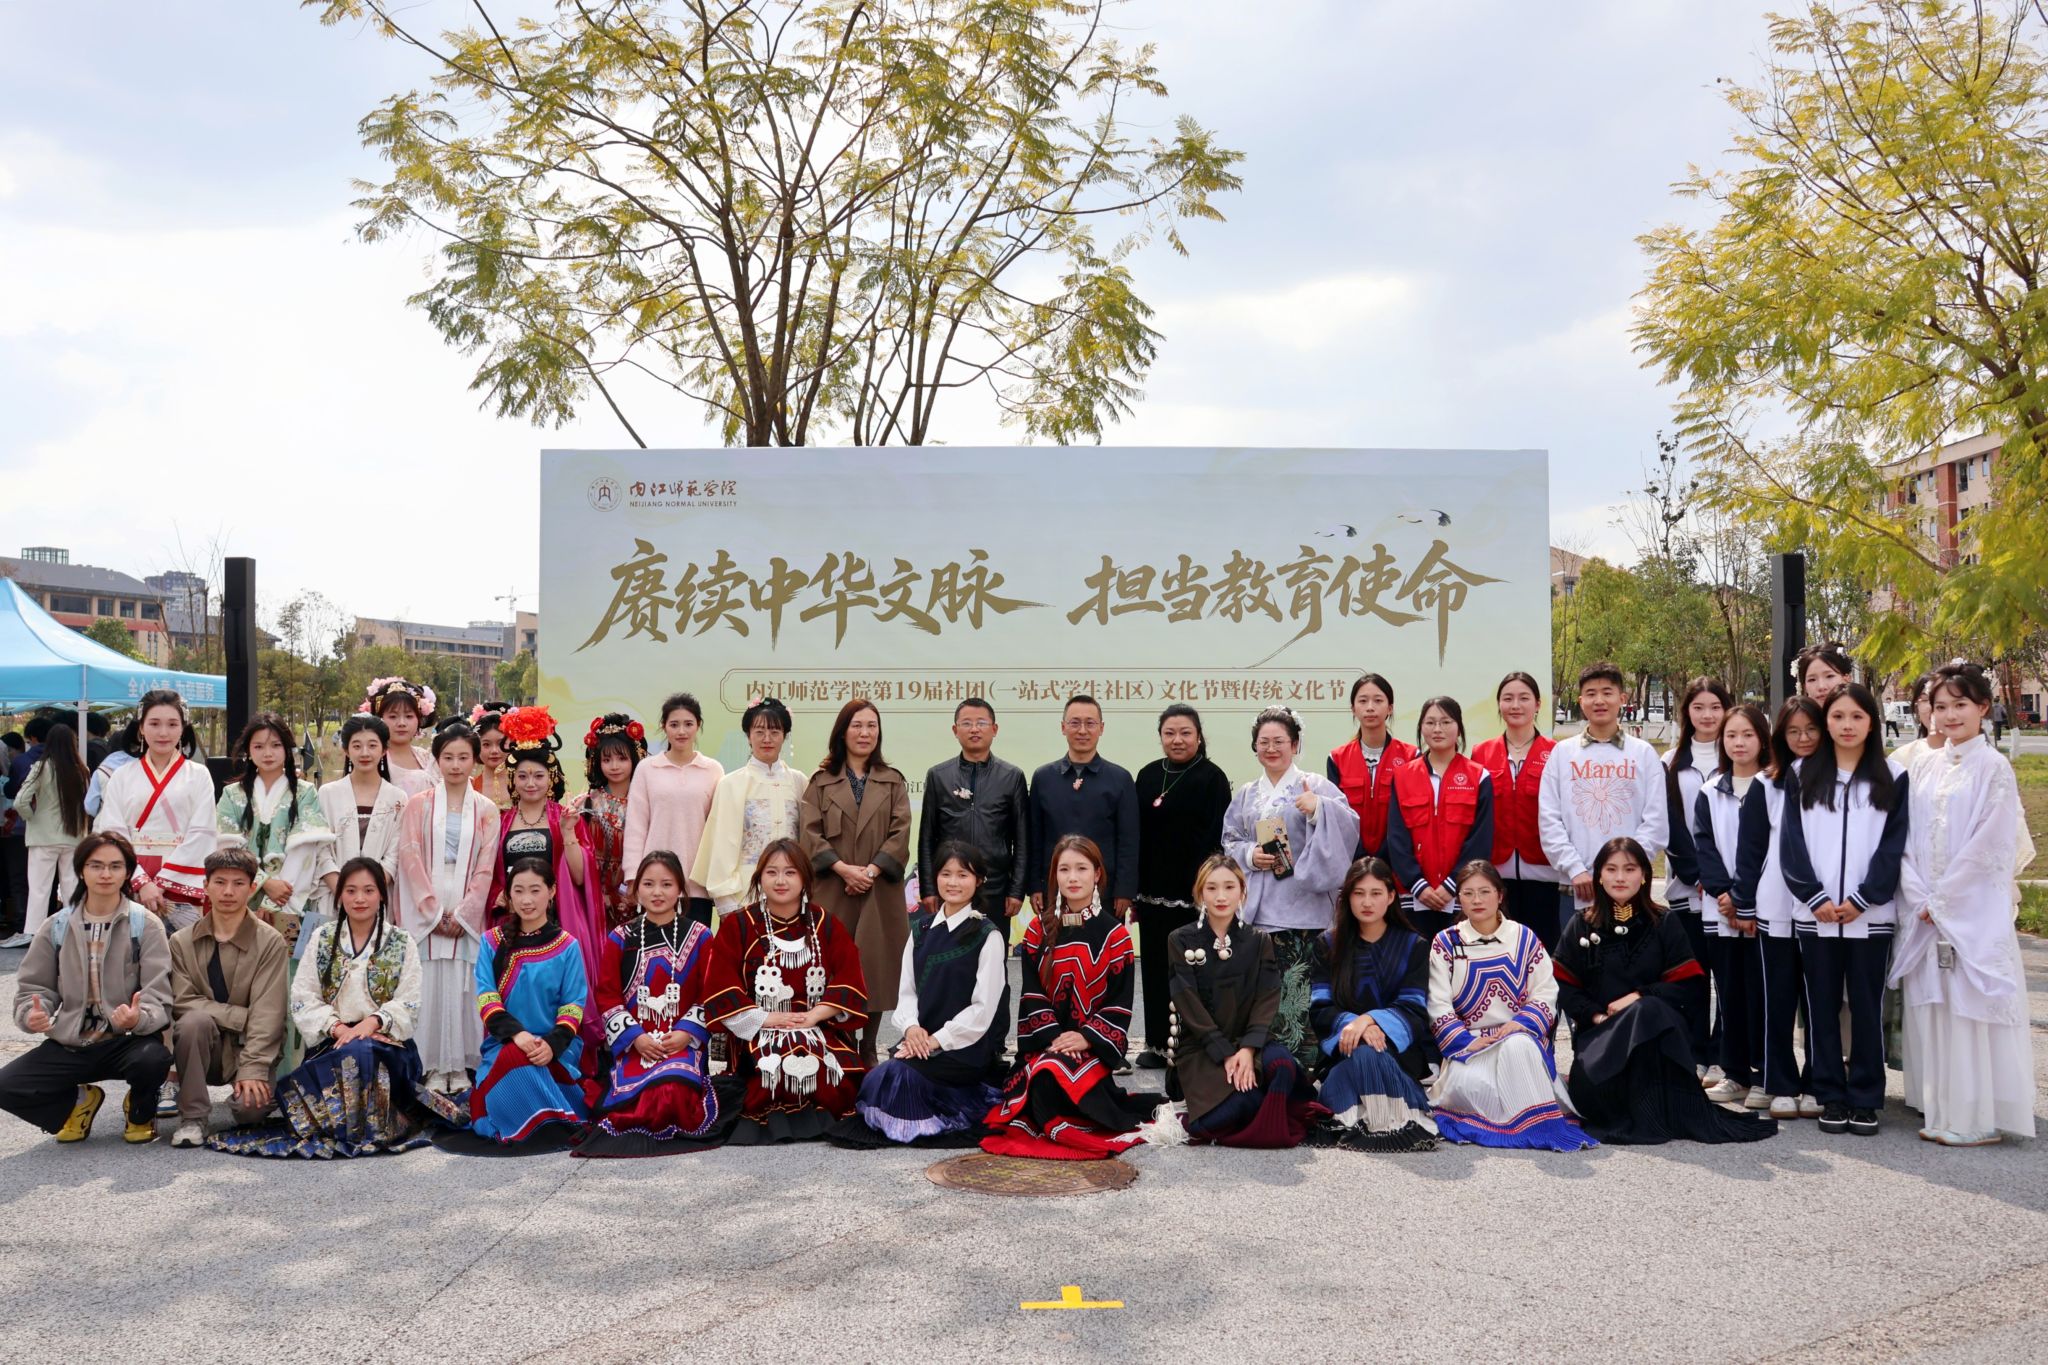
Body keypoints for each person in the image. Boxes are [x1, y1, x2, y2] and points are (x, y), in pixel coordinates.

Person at [209, 858, 460, 1157]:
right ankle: (354, 1124)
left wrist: (371, 1023)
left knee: (363, 1051)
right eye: (351, 890)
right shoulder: (323, 938)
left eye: (368, 890)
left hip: (387, 1045)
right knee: (348, 1054)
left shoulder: (401, 941)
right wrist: (338, 1028)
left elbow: (409, 1001)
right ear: (340, 895)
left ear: (381, 895)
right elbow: (303, 997)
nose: (359, 898)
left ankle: (357, 1126)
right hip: (333, 1042)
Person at [1891, 660, 2037, 1145]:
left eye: (1960, 705)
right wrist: (1918, 895)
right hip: (1926, 911)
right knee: (1936, 1007)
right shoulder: (1925, 766)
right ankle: (1942, 1108)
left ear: (1983, 708)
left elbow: (1989, 845)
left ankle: (1977, 1117)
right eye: (1940, 707)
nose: (1950, 715)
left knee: (1968, 1009)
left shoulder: (1993, 767)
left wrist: (1944, 899)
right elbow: (1906, 838)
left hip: (1968, 912)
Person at [1553, 838, 1777, 1145]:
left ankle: (1653, 1105)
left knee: (1648, 1008)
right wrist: (1597, 1016)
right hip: (1600, 1044)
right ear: (1599, 876)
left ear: (1644, 875)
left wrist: (1638, 997)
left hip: (1654, 1044)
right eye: (1611, 869)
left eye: (1630, 869)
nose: (1620, 877)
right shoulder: (1582, 925)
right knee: (1645, 1010)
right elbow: (1562, 987)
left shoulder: (1664, 922)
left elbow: (1689, 987)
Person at [1781, 681, 1909, 1138]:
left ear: (1872, 723)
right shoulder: (1801, 773)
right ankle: (1830, 1094)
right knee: (1821, 1007)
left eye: (1857, 716)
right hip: (1815, 915)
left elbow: (1893, 845)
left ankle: (1866, 1097)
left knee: (1867, 1009)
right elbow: (1791, 842)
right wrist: (1813, 896)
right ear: (1826, 722)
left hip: (1869, 917)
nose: (1847, 725)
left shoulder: (1893, 776)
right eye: (1837, 716)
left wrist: (1864, 898)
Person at [982, 835, 1153, 1158]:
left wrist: (1086, 1038)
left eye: (1081, 868)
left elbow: (1119, 1004)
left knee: (1052, 1079)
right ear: (1054, 876)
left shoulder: (1116, 936)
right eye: (1064, 869)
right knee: (1046, 1073)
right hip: (1045, 1046)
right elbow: (1031, 995)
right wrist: (1057, 1040)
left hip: (1091, 1052)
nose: (1073, 878)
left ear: (1097, 874)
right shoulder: (1037, 931)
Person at [0, 833, 172, 1145]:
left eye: (115, 866)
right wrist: (32, 1014)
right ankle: (80, 1101)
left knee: (153, 1059)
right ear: (81, 870)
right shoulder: (56, 925)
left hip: (127, 1041)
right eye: (96, 865)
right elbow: (34, 987)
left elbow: (158, 992)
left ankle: (139, 1112)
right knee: (6, 1085)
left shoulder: (145, 924)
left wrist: (139, 1017)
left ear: (127, 872)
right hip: (71, 1042)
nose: (106, 874)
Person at [1223, 706, 1360, 1073]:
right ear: (1255, 747)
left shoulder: (1315, 785)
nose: (1271, 748)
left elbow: (1349, 825)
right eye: (1264, 742)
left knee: (1303, 997)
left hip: (1305, 910)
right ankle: (1270, 1069)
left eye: (1279, 741)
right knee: (1266, 996)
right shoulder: (1247, 794)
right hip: (1260, 911)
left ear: (1295, 744)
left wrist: (1318, 809)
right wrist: (1249, 855)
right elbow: (1230, 839)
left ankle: (1306, 1073)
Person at [703, 839, 868, 1143]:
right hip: (757, 1029)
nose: (781, 881)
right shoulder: (739, 925)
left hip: (817, 1025)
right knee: (774, 1063)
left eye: (790, 872)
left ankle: (819, 1119)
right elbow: (720, 986)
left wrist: (813, 1016)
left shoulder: (824, 923)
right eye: (772, 872)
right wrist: (766, 1019)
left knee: (826, 1065)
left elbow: (851, 978)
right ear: (759, 878)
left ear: (805, 878)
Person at [846, 842, 1009, 1145]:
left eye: (963, 875)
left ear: (979, 881)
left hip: (963, 1048)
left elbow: (983, 1010)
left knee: (899, 1077)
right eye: (946, 874)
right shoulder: (920, 930)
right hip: (919, 1042)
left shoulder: (988, 935)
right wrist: (912, 1029)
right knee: (880, 1078)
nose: (953, 882)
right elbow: (907, 992)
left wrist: (936, 1040)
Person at [1427, 860, 1593, 1151]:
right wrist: (1466, 1041)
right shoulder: (1446, 943)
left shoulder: (1524, 938)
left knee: (1518, 1047)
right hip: (1471, 1046)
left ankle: (1537, 1126)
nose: (1477, 900)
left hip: (1520, 1038)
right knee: (1479, 1087)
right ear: (1459, 898)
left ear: (1500, 895)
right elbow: (1438, 1003)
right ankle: (1521, 1122)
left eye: (1485, 892)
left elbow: (1545, 992)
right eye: (1468, 893)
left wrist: (1520, 1024)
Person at [580, 851, 724, 1156]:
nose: (657, 892)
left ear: (681, 889)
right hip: (637, 1043)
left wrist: (686, 1033)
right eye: (648, 884)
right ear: (636, 889)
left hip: (681, 1042)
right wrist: (636, 1038)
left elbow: (710, 992)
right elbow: (607, 995)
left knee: (672, 1088)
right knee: (639, 1096)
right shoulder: (620, 937)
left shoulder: (700, 936)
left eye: (666, 884)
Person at [1164, 854, 1312, 1147]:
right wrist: (1225, 1053)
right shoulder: (1180, 939)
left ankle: (1261, 1106)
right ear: (1199, 893)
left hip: (1251, 1041)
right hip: (1204, 1047)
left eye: (1229, 887)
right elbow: (1188, 1002)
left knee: (1283, 1067)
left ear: (1243, 891)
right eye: (1211, 888)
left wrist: (1247, 1049)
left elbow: (1267, 997)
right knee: (1225, 1113)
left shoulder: (1258, 940)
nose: (1221, 896)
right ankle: (1258, 1107)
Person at [800, 699, 912, 1069]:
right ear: (842, 732)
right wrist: (844, 870)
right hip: (835, 888)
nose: (865, 733)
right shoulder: (821, 782)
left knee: (875, 966)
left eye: (871, 726)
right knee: (834, 967)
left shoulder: (892, 781)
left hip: (878, 890)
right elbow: (809, 834)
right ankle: (840, 1041)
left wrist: (871, 872)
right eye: (857, 726)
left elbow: (900, 833)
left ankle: (869, 1045)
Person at [487, 706, 602, 1054]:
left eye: (538, 775)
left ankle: (559, 1051)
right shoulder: (501, 821)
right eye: (523, 776)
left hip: (555, 920)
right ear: (512, 779)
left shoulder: (564, 817)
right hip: (513, 922)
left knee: (555, 992)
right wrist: (500, 894)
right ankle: (514, 1048)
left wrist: (568, 834)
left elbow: (580, 877)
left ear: (551, 777)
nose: (531, 783)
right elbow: (492, 873)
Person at [1733, 698, 1827, 1121]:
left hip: (1821, 908)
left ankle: (1818, 1081)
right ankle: (1780, 1082)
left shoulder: (1832, 781)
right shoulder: (1765, 784)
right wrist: (1745, 904)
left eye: (1811, 729)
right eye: (1793, 731)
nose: (1803, 738)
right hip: (1774, 906)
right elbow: (1750, 850)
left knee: (1819, 999)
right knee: (1777, 997)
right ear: (1780, 736)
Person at [395, 722, 500, 1094]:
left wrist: (466, 912)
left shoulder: (486, 808)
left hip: (468, 898)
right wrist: (433, 910)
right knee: (429, 981)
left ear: (474, 760)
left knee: (462, 983)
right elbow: (409, 857)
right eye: (448, 757)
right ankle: (430, 1063)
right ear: (437, 760)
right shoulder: (418, 804)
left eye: (463, 757)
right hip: (427, 897)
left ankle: (460, 1064)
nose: (456, 765)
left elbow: (487, 866)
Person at [1309, 856, 1438, 1152]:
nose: (1367, 902)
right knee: (1362, 1053)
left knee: (1370, 1052)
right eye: (1359, 893)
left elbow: (1415, 1009)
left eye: (1376, 893)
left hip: (1397, 1054)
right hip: (1343, 1051)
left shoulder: (1414, 946)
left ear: (1391, 896)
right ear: (1347, 898)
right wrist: (1354, 1027)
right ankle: (1389, 1115)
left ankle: (1365, 1115)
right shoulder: (1328, 944)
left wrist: (1367, 1020)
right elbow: (1320, 1009)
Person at [166, 848, 291, 1148]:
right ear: (206, 886)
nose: (228, 892)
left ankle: (249, 1087)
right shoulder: (181, 941)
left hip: (249, 1045)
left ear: (251, 888)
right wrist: (240, 1015)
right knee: (192, 1022)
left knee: (251, 1110)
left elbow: (268, 1013)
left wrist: (254, 1069)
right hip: (203, 1046)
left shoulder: (270, 941)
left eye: (238, 884)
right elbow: (182, 1001)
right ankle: (193, 1117)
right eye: (220, 882)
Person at [1131, 703, 1232, 1068]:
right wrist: (1134, 890)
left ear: (1199, 737)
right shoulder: (1146, 775)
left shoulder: (1212, 778)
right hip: (1151, 894)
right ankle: (1158, 1045)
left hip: (1193, 896)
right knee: (1155, 970)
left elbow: (1217, 838)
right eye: (1169, 733)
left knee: (1192, 973)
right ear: (1160, 736)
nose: (1177, 739)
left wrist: (1207, 890)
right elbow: (1136, 836)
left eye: (1185, 733)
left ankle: (1192, 1047)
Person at [467, 857, 590, 1144]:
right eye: (519, 891)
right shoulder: (491, 942)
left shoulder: (567, 946)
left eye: (535, 890)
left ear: (552, 891)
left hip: (556, 1049)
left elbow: (573, 1007)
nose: (526, 900)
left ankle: (538, 1119)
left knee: (525, 1058)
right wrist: (518, 1035)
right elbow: (487, 999)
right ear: (508, 895)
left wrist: (550, 1045)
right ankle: (549, 1119)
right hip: (505, 1043)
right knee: (513, 1056)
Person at [1537, 661, 1668, 916]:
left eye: (1607, 693)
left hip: (1629, 889)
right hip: (1577, 887)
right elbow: (1549, 819)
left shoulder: (1643, 753)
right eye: (1591, 694)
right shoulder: (1562, 753)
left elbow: (1656, 822)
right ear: (1581, 701)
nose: (1599, 701)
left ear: (1622, 699)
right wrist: (1575, 868)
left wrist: (1625, 870)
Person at [1691, 702, 1772, 1110]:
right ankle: (1735, 1073)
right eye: (1731, 735)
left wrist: (1745, 899)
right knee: (1729, 995)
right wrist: (1725, 895)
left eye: (1748, 735)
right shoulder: (1711, 790)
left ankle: (1765, 1073)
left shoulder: (1775, 787)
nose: (1739, 743)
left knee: (1763, 995)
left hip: (1763, 911)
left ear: (1763, 739)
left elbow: (1770, 848)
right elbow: (1704, 846)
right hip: (1721, 912)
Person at [94, 689, 217, 931]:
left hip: (181, 881)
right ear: (141, 728)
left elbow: (202, 833)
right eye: (154, 724)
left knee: (181, 952)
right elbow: (113, 832)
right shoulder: (122, 775)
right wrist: (141, 882)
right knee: (126, 950)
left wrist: (161, 883)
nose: (163, 732)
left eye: (172, 724)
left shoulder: (199, 775)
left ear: (183, 728)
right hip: (129, 878)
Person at [214, 711, 335, 957]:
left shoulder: (305, 793)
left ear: (287, 749)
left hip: (289, 898)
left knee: (288, 966)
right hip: (240, 897)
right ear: (248, 751)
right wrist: (264, 883)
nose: (267, 753)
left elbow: (304, 851)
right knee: (239, 965)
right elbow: (227, 849)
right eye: (258, 746)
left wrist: (275, 899)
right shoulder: (232, 795)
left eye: (276, 745)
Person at [1384, 695, 1494, 942]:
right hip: (1413, 898)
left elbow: (1480, 840)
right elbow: (1397, 838)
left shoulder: (1479, 776)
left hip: (1462, 896)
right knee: (1417, 960)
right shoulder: (1402, 776)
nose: (1437, 729)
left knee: (1461, 959)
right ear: (1421, 728)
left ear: (1459, 728)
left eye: (1446, 722)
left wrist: (1452, 884)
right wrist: (1418, 885)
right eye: (1430, 722)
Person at [917, 697, 1030, 935]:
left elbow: (1022, 840)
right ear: (955, 730)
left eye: (982, 723)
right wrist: (928, 888)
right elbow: (926, 838)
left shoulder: (1012, 777)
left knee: (993, 951)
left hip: (995, 888)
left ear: (994, 729)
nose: (974, 729)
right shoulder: (939, 776)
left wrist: (1017, 890)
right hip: (950, 888)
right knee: (949, 952)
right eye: (967, 723)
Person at [1664, 677, 1731, 1079]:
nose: (1707, 715)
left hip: (1729, 892)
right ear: (1686, 712)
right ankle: (1695, 1054)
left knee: (1728, 977)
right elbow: (1670, 826)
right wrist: (1698, 874)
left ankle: (1723, 1054)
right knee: (1692, 975)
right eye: (1698, 707)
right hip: (1687, 887)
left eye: (1715, 707)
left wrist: (1720, 880)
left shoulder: (1739, 754)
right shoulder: (1670, 761)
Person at [1472, 671, 1567, 950]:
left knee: (1543, 950)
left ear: (1537, 704)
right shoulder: (1481, 753)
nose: (1515, 705)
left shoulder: (1557, 752)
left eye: (1524, 698)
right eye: (1508, 698)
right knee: (1499, 950)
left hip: (1545, 871)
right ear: (1499, 704)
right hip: (1496, 874)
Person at [1026, 694, 1140, 918]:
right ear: (1063, 727)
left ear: (1101, 728)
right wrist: (1034, 885)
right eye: (1075, 723)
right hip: (1054, 887)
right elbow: (1035, 838)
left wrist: (1124, 890)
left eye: (1090, 723)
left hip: (1105, 890)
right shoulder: (1043, 777)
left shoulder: (1120, 778)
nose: (1082, 730)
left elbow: (1128, 841)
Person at [693, 696, 809, 914]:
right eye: (759, 732)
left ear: (784, 736)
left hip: (793, 893)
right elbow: (721, 846)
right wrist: (726, 902)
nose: (767, 739)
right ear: (748, 736)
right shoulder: (731, 784)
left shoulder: (799, 781)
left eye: (775, 732)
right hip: (744, 895)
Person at [621, 692, 725, 928]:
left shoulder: (713, 770)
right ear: (663, 726)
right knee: (652, 947)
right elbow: (636, 825)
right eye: (674, 724)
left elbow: (718, 829)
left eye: (688, 724)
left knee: (694, 948)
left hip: (697, 885)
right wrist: (634, 876)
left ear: (698, 725)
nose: (681, 731)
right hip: (654, 884)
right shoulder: (647, 769)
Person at [2, 722, 91, 948]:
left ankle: (34, 933)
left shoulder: (41, 767)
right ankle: (74, 931)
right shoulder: (82, 770)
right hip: (74, 836)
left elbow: (21, 800)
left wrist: (31, 818)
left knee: (39, 888)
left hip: (43, 837)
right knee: (72, 886)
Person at [316, 714, 408, 931]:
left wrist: (369, 893)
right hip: (333, 897)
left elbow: (394, 854)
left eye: (372, 745)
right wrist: (343, 891)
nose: (365, 753)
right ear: (346, 750)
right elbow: (320, 848)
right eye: (357, 746)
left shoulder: (397, 798)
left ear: (384, 750)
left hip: (378, 899)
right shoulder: (327, 793)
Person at [1327, 673, 1416, 860]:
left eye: (1378, 700)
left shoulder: (1411, 757)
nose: (1370, 707)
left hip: (1396, 861)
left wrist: (1385, 858)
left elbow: (1411, 816)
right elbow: (1337, 815)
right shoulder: (1337, 759)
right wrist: (1360, 859)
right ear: (1353, 709)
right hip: (1351, 860)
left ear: (1390, 708)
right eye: (1363, 701)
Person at [570, 711, 646, 930]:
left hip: (639, 896)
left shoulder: (646, 801)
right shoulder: (587, 803)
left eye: (622, 758)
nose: (614, 766)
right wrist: (596, 892)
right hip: (595, 897)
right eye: (607, 759)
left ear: (635, 758)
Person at [361, 677, 438, 797]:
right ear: (379, 719)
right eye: (393, 716)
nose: (401, 723)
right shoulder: (372, 759)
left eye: (409, 716)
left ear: (419, 719)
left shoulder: (428, 758)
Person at [1891, 672, 1944, 770]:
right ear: (1916, 707)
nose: (1932, 707)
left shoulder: (1971, 757)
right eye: (1925, 700)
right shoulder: (1901, 759)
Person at [469, 703, 515, 810]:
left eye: (501, 743)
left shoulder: (524, 783)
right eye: (486, 744)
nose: (494, 751)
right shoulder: (469, 787)